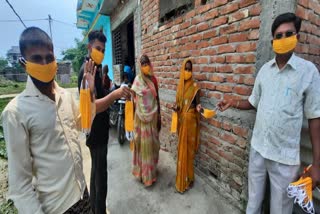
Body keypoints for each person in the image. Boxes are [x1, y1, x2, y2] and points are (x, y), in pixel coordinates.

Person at [1, 27, 130, 214]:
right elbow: (21, 187)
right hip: (58, 206)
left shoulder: (66, 95)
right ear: (24, 63)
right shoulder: (15, 113)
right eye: (37, 59)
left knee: (97, 178)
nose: (45, 64)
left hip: (80, 192)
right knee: (99, 178)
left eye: (49, 58)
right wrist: (113, 95)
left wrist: (94, 92)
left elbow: (82, 118)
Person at [217, 13, 320, 214]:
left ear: (297, 36)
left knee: (280, 209)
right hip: (258, 148)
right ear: (272, 40)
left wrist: (317, 164)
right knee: (253, 202)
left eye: (288, 34)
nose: (283, 39)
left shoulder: (308, 73)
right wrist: (232, 102)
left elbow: (315, 118)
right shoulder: (265, 70)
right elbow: (253, 102)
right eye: (278, 35)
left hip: (284, 158)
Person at [77, 30, 114, 214]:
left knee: (96, 174)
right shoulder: (86, 71)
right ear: (89, 47)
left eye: (103, 49)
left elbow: (98, 94)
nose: (101, 52)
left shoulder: (96, 67)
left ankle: (94, 209)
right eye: (98, 48)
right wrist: (114, 95)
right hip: (96, 134)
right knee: (101, 178)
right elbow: (93, 107)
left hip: (100, 132)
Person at [131, 54, 161, 186]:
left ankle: (152, 172)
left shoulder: (154, 80)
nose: (145, 66)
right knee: (143, 147)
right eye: (142, 64)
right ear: (140, 66)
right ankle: (144, 175)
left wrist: (159, 115)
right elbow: (133, 100)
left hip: (153, 118)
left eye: (146, 63)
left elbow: (157, 98)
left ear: (150, 64)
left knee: (153, 146)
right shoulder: (137, 80)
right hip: (141, 121)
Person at [173, 59, 202, 193]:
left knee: (189, 153)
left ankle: (189, 179)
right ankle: (181, 178)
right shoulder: (180, 88)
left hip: (191, 124)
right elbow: (178, 105)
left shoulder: (195, 86)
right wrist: (175, 107)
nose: (188, 72)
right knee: (181, 151)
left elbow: (197, 104)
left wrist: (199, 107)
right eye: (186, 69)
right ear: (182, 70)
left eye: (190, 69)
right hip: (182, 123)